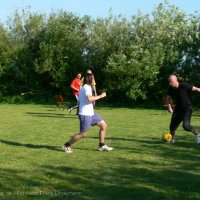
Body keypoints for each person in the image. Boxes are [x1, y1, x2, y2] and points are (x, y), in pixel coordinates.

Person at [62, 71, 113, 153]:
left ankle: (102, 145)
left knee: (104, 125)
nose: (94, 80)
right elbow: (89, 98)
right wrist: (101, 96)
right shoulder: (87, 88)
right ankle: (67, 145)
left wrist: (92, 102)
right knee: (82, 134)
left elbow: (80, 101)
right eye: (93, 79)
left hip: (91, 113)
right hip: (85, 114)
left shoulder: (85, 87)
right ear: (90, 79)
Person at [166, 74, 200, 143]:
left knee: (186, 126)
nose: (170, 84)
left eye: (171, 82)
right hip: (178, 109)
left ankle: (197, 134)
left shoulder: (183, 86)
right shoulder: (170, 89)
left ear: (176, 81)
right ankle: (171, 139)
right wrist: (169, 107)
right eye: (169, 82)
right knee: (172, 127)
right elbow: (168, 98)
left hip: (187, 108)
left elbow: (197, 89)